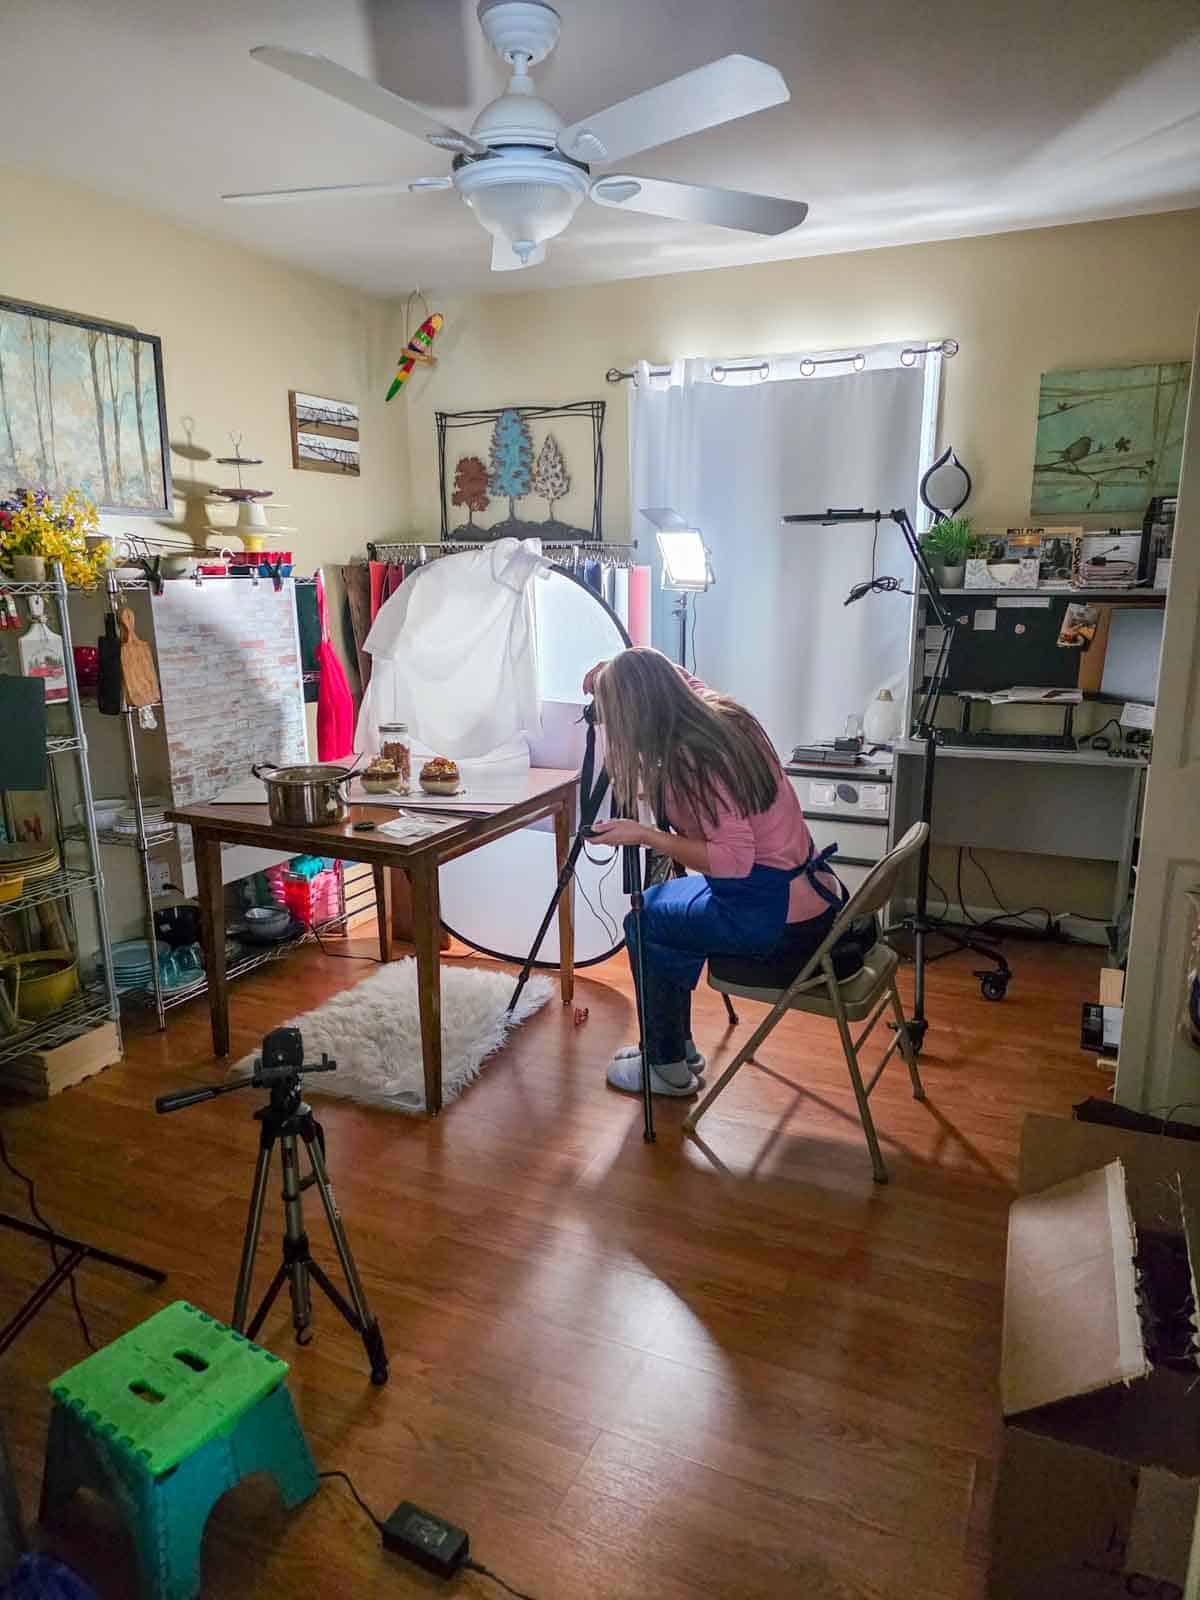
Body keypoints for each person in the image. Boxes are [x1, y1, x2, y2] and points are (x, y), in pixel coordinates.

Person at [585, 647, 847, 1098]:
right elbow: (681, 678)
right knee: (661, 908)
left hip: (774, 919)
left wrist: (644, 834)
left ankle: (664, 1069)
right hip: (811, 895)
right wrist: (614, 669)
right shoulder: (726, 718)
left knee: (643, 922)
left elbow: (733, 860)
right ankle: (672, 1046)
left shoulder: (694, 761)